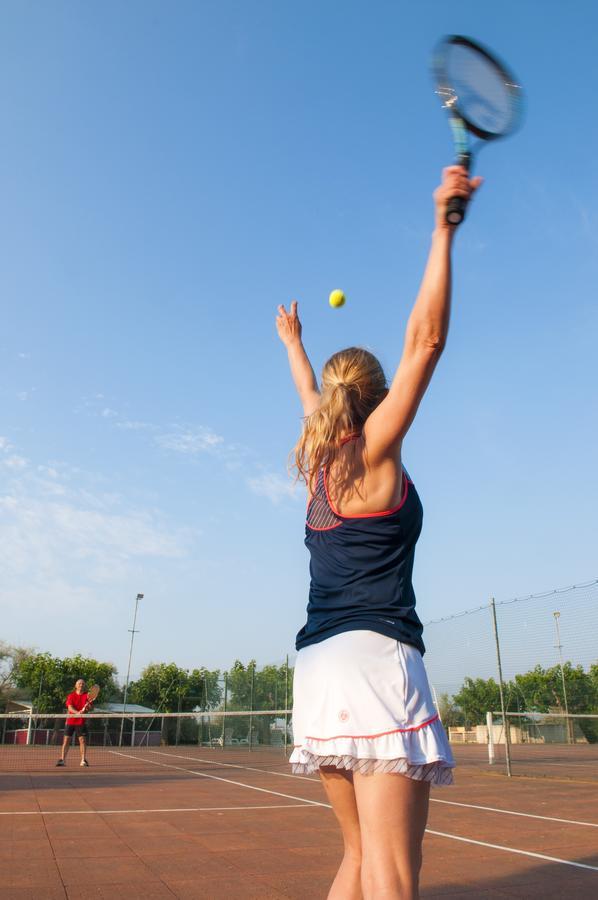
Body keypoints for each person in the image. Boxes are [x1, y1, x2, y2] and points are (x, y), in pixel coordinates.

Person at [276, 165, 482, 900]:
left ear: (334, 401)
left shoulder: (317, 465)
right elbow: (425, 343)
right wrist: (442, 231)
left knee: (360, 860)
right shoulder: (374, 454)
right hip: (376, 661)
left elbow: (310, 394)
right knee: (397, 874)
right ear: (378, 398)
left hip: (318, 669)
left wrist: (295, 344)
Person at [56, 678, 93, 767]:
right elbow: (70, 707)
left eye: (83, 684)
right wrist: (77, 713)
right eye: (79, 683)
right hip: (71, 721)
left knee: (82, 740)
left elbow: (90, 708)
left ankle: (83, 760)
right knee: (66, 740)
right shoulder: (71, 696)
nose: (81, 685)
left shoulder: (87, 696)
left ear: (84, 686)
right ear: (76, 686)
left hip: (81, 722)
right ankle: (62, 760)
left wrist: (87, 708)